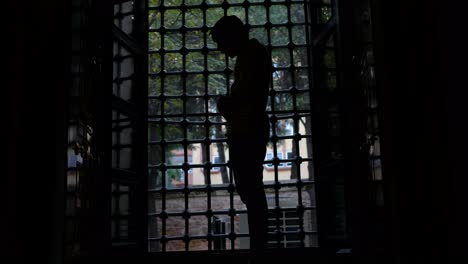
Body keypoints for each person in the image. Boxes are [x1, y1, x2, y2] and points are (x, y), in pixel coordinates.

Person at [210, 16, 272, 252]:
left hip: (247, 132)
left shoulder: (251, 55)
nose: (220, 48)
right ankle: (259, 246)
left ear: (231, 36)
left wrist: (224, 104)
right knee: (251, 190)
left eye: (220, 41)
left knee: (251, 192)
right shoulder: (253, 53)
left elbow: (241, 99)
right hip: (249, 130)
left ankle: (259, 248)